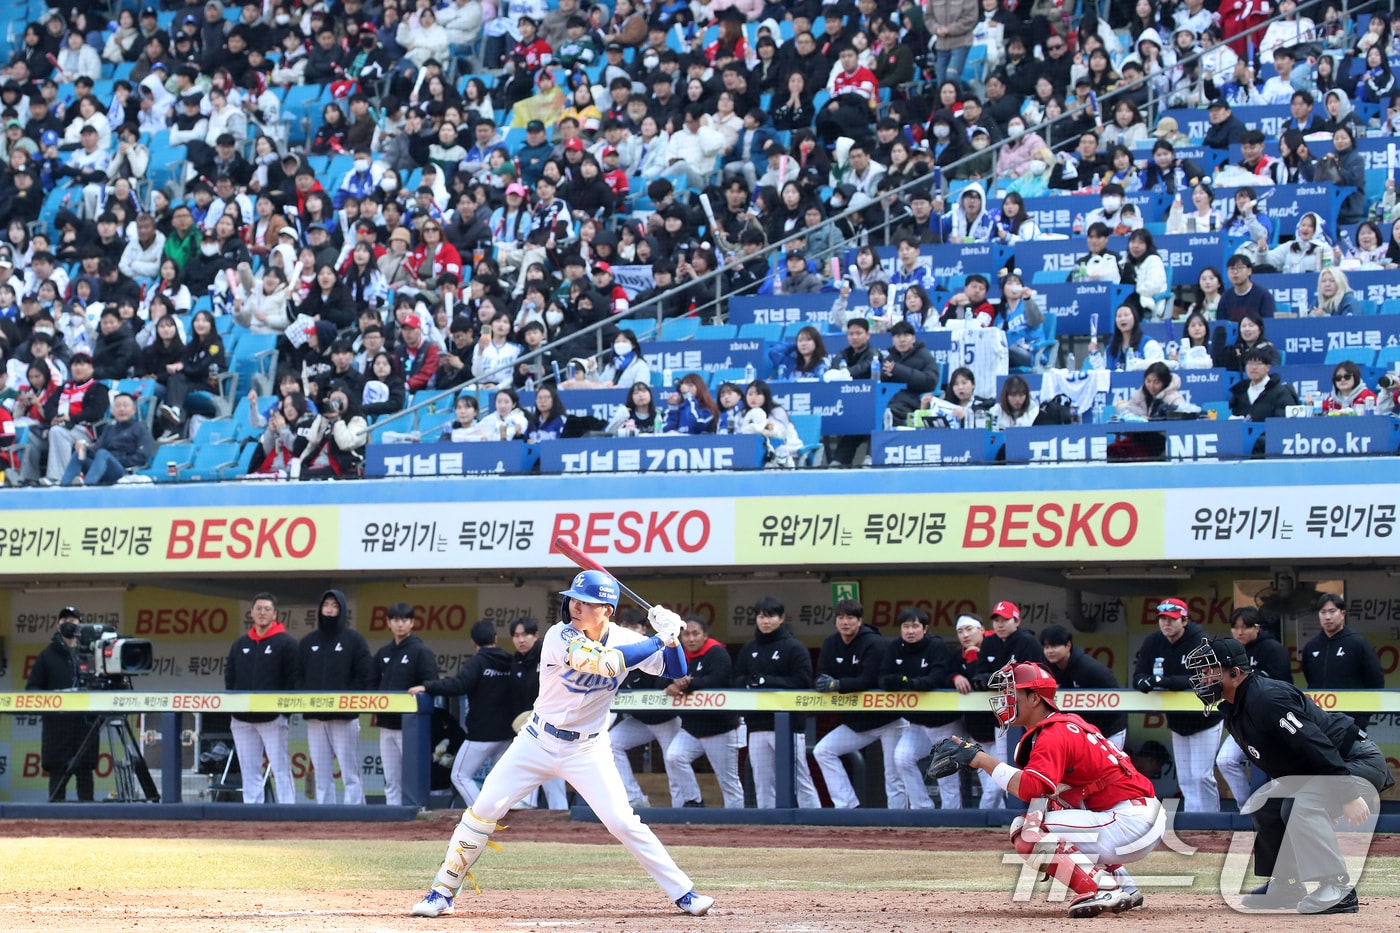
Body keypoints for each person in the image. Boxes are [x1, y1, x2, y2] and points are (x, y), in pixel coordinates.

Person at [410, 571, 714, 918]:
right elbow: (607, 663)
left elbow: (676, 671)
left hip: (587, 749)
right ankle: (442, 892)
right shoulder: (559, 635)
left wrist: (672, 641)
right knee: (484, 809)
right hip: (537, 741)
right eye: (574, 599)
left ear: (608, 610)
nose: (576, 606)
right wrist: (661, 638)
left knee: (622, 821)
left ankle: (684, 893)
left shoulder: (628, 639)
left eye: (587, 602)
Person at [1185, 636, 1393, 914]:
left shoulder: (1266, 699)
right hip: (1326, 768)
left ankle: (1339, 888)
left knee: (1300, 805)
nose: (1202, 677)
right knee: (1267, 802)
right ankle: (1288, 885)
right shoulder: (1236, 707)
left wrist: (1349, 796)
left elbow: (1317, 746)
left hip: (1355, 761)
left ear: (1234, 674)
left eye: (1209, 670)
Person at [955, 661, 1163, 917]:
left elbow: (1031, 788)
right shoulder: (1066, 723)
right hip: (1139, 816)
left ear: (1034, 698)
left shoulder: (1053, 733)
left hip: (1129, 821)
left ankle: (1102, 888)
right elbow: (1046, 795)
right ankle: (1124, 886)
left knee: (1026, 831)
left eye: (1012, 693)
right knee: (1049, 808)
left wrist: (982, 759)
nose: (1005, 699)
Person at [812, 599, 908, 808]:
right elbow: (821, 674)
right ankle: (847, 805)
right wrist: (825, 682)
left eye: (850, 618)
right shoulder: (831, 643)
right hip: (858, 722)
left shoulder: (874, 643)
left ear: (859, 621)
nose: (845, 622)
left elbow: (869, 680)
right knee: (823, 751)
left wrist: (837, 684)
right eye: (840, 618)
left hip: (889, 719)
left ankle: (901, 819)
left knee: (893, 774)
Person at [412, 621, 515, 807]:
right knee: (506, 779)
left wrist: (427, 686)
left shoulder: (477, 661)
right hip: (507, 734)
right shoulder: (510, 661)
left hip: (481, 735)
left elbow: (457, 685)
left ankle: (481, 814)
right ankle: (506, 813)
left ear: (474, 644)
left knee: (459, 775)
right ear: (496, 639)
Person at [1133, 598, 1222, 813]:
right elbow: (1138, 676)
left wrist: (1165, 682)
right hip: (1177, 720)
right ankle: (1195, 823)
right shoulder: (1154, 641)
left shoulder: (1200, 640)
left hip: (1206, 719)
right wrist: (1145, 683)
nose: (1166, 624)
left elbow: (1205, 678)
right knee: (1186, 779)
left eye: (1172, 619)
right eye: (1163, 619)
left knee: (1202, 775)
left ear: (1184, 620)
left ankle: (1212, 821)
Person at [732, 596, 822, 809]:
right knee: (763, 781)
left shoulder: (794, 647)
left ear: (781, 618)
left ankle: (815, 818)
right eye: (761, 616)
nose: (765, 621)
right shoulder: (749, 648)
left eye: (770, 616)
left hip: (788, 727)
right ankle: (768, 824)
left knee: (800, 778)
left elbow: (802, 681)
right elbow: (738, 679)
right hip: (756, 725)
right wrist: (751, 682)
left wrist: (766, 682)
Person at [881, 607, 963, 810]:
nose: (910, 631)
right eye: (906, 626)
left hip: (944, 723)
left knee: (946, 773)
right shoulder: (894, 648)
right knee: (902, 758)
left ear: (925, 628)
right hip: (917, 724)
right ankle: (922, 809)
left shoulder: (936, 646)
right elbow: (883, 678)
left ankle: (952, 818)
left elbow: (935, 679)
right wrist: (908, 682)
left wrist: (907, 683)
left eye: (915, 626)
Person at [298, 589, 374, 805]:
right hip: (315, 718)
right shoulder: (307, 641)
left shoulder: (354, 640)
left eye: (334, 606)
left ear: (341, 610)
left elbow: (365, 674)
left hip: (344, 718)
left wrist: (348, 699)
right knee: (321, 771)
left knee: (349, 772)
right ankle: (325, 815)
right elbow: (297, 676)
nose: (329, 610)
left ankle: (355, 813)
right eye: (326, 605)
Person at [1215, 606, 1293, 809]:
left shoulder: (1273, 649)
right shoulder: (1228, 652)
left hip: (1272, 724)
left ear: (1257, 628)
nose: (1240, 632)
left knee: (1276, 770)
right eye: (1235, 627)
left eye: (1245, 627)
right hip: (1241, 720)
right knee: (1225, 760)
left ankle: (1276, 814)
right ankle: (1248, 808)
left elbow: (1283, 684)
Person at [225, 592, 298, 804]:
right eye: (258, 608)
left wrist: (283, 711)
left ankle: (288, 811)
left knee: (280, 767)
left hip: (272, 719)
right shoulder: (241, 644)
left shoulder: (286, 643)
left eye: (267, 609)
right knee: (249, 770)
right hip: (242, 719)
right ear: (251, 612)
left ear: (275, 614)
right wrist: (235, 707)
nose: (262, 613)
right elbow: (230, 676)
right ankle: (253, 812)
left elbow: (293, 679)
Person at [663, 616, 744, 810]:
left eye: (695, 634)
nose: (690, 639)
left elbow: (717, 680)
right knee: (674, 756)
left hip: (720, 728)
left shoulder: (717, 652)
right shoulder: (678, 653)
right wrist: (670, 684)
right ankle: (694, 801)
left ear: (705, 635)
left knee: (729, 783)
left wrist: (687, 684)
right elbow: (661, 676)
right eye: (686, 634)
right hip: (691, 728)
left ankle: (738, 825)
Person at [610, 608, 686, 810]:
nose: (630, 631)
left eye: (635, 627)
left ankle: (682, 805)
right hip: (640, 721)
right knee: (611, 743)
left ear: (645, 628)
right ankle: (635, 798)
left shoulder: (655, 648)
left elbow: (669, 676)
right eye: (625, 627)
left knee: (673, 760)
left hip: (665, 720)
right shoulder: (619, 649)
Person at [27, 609, 98, 801]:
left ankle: (90, 829)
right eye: (65, 620)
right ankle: (54, 829)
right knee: (57, 788)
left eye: (73, 620)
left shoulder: (90, 654)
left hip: (85, 730)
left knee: (86, 786)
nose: (69, 623)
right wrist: (55, 698)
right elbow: (32, 689)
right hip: (58, 731)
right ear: (58, 625)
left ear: (80, 625)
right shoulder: (46, 656)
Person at [374, 602, 439, 807]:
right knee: (391, 778)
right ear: (388, 623)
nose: (400, 624)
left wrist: (425, 687)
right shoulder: (383, 652)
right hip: (386, 725)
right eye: (395, 620)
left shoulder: (421, 651)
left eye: (404, 620)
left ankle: (417, 814)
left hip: (410, 728)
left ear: (412, 623)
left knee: (412, 777)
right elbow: (371, 683)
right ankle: (393, 817)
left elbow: (433, 683)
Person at [1301, 593, 1385, 731]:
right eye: (1323, 612)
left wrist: (1362, 716)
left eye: (1332, 611)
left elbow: (1375, 681)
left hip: (1352, 722)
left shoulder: (1358, 644)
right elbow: (1309, 677)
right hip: (1318, 720)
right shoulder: (1311, 647)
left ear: (1343, 613)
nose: (1327, 617)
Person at [1038, 625, 1127, 749]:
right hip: (1080, 732)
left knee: (1109, 767)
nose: (1049, 651)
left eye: (1054, 646)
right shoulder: (1045, 669)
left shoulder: (1090, 668)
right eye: (1046, 647)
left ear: (1068, 645)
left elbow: (1117, 699)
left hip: (1109, 730)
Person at [1228, 346, 1299, 422]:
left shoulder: (1281, 392)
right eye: (1250, 363)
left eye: (1258, 363)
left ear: (1268, 367)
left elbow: (1285, 422)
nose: (1254, 367)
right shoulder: (1240, 392)